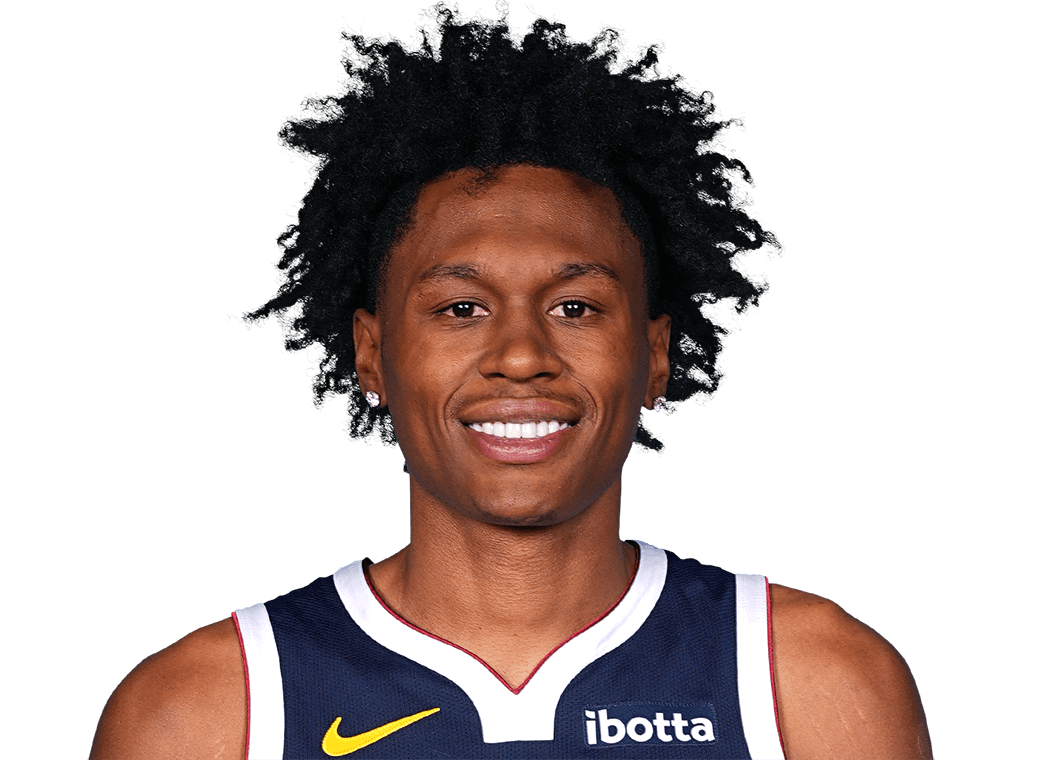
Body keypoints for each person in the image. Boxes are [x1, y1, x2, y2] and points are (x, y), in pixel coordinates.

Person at [90, 4, 931, 758]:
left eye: (575, 307)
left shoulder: (810, 682)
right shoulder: (206, 712)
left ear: (656, 356)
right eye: (461, 308)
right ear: (371, 355)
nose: (522, 355)